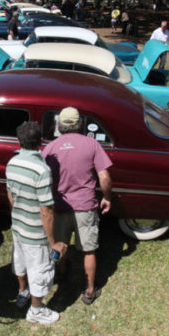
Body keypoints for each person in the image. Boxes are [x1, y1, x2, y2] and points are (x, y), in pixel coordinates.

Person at [42, 107, 112, 305]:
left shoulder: (50, 148)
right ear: (79, 124)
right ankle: (90, 290)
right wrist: (106, 197)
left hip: (59, 206)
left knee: (59, 244)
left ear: (59, 125)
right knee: (89, 250)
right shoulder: (92, 144)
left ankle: (61, 273)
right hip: (86, 207)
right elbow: (104, 176)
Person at [6, 122, 67, 324]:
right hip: (36, 234)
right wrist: (52, 242)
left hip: (18, 226)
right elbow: (46, 211)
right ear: (40, 141)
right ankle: (36, 310)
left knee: (20, 263)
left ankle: (23, 292)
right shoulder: (42, 170)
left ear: (19, 141)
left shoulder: (12, 163)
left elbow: (11, 196)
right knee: (40, 270)